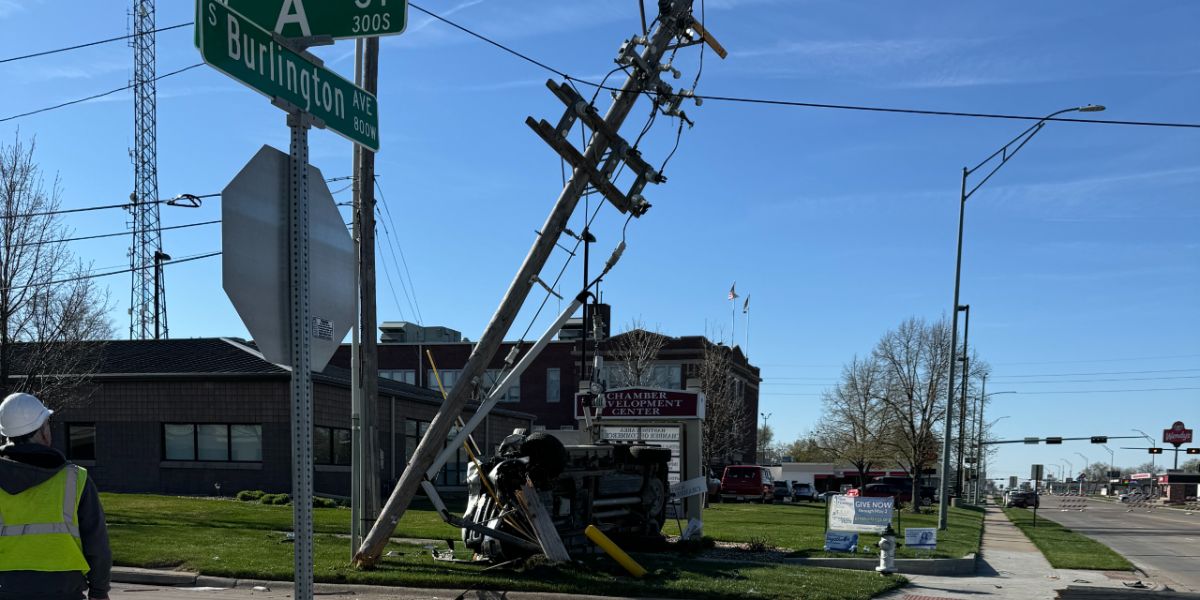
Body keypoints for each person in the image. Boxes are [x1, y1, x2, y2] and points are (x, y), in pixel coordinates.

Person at [0, 393, 110, 600]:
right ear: (42, 431)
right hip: (64, 591)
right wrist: (99, 590)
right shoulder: (76, 479)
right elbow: (96, 542)